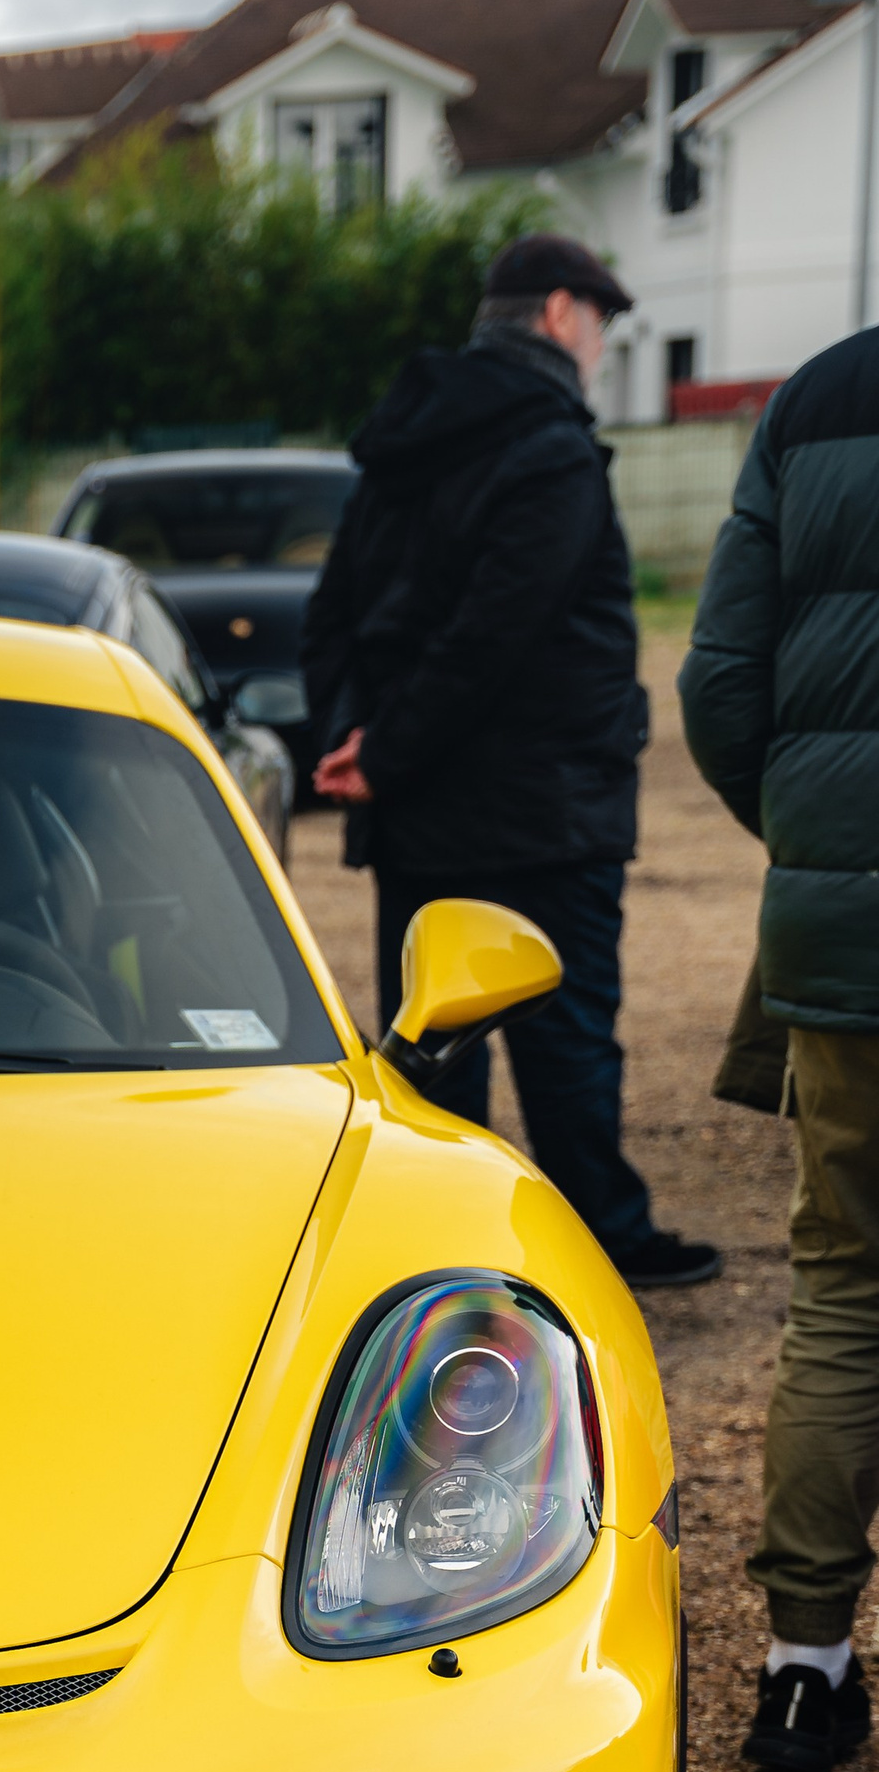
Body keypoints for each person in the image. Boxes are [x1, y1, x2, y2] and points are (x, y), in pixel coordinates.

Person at [302, 231, 718, 1292]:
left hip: (420, 805)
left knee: (437, 1035)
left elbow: (336, 612)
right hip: (544, 801)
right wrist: (380, 749)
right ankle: (595, 1244)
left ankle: (446, 1248)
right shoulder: (551, 449)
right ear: (556, 314)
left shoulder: (400, 446)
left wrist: (356, 740)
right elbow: (501, 633)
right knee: (565, 1028)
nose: (598, 348)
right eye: (598, 323)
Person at [682, 322, 879, 1772]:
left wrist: (822, 841)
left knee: (842, 1294)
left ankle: (803, 1669)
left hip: (842, 938)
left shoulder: (821, 396)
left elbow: (723, 682)